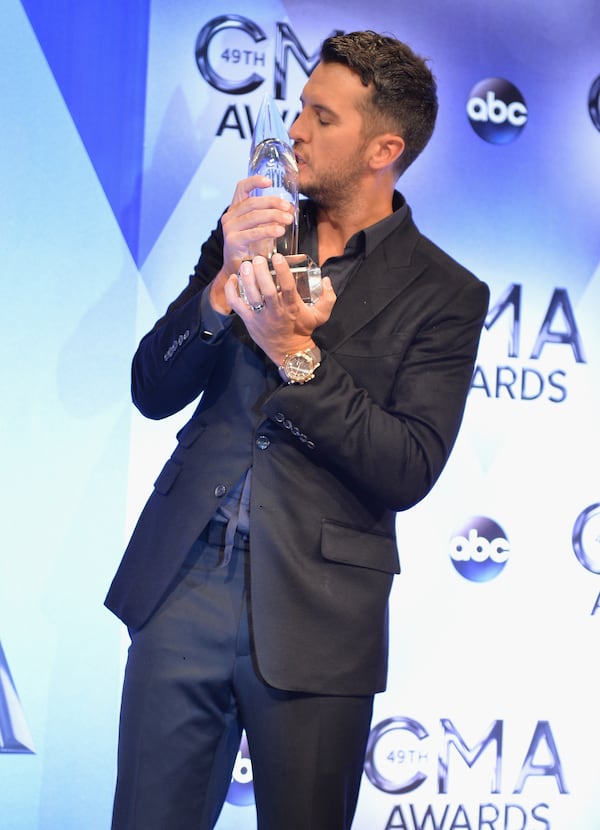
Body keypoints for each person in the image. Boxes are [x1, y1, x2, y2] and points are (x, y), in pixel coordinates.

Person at [105, 30, 489, 830]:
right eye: (299, 108)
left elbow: (407, 466)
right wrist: (218, 289)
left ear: (385, 147)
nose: (294, 132)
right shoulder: (255, 230)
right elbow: (152, 388)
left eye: (322, 116)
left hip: (321, 611)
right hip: (186, 582)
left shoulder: (446, 293)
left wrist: (293, 352)